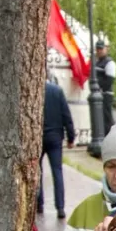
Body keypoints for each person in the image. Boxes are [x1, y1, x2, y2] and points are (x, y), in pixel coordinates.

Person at [38, 77, 76, 220]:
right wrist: (71, 137)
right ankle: (60, 207)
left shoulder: (35, 91)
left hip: (38, 136)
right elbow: (66, 115)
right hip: (55, 137)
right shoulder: (57, 91)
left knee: (38, 171)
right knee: (57, 171)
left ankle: (39, 204)